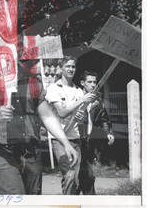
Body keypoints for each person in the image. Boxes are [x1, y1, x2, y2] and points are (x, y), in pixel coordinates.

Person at [0, 59, 78, 195]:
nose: (30, 59)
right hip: (0, 152)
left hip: (30, 152)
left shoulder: (34, 83)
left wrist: (66, 143)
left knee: (33, 198)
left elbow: (48, 116)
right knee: (15, 196)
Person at [45, 56, 97, 195]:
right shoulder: (54, 88)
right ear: (61, 68)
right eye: (67, 66)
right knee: (69, 175)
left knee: (76, 178)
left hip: (75, 139)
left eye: (73, 66)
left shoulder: (78, 90)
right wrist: (81, 100)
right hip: (60, 139)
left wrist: (81, 117)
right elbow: (62, 112)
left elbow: (81, 117)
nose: (71, 69)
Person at [77, 70, 115, 195]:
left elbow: (104, 119)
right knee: (78, 177)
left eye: (95, 82)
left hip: (88, 143)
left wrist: (108, 132)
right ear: (83, 83)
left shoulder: (97, 101)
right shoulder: (76, 97)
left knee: (87, 176)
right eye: (90, 82)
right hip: (75, 141)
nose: (93, 84)